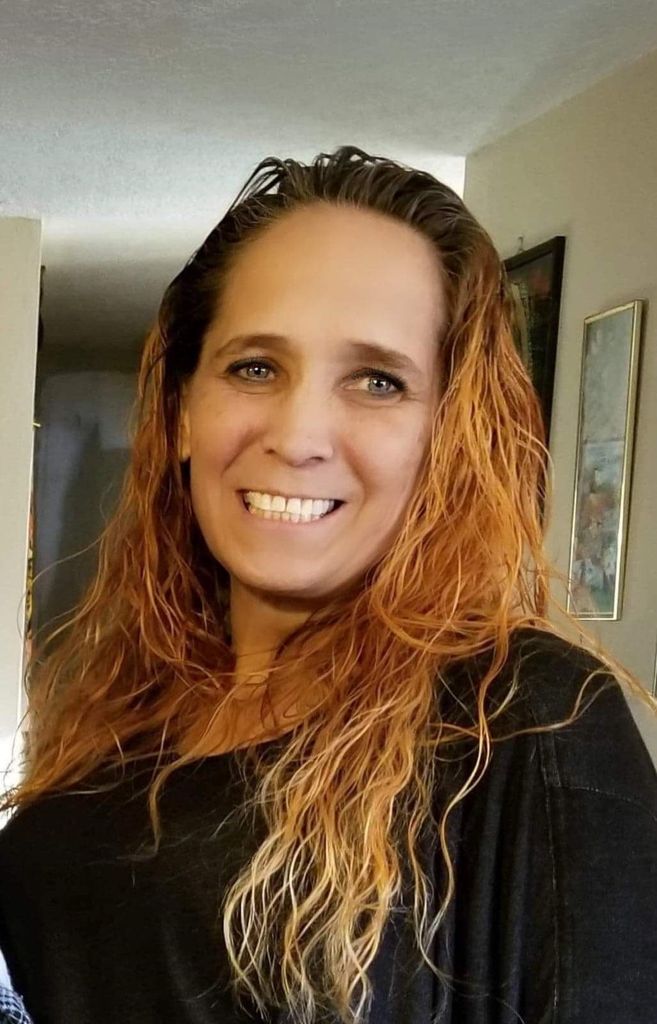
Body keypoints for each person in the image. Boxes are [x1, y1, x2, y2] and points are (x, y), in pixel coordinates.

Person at [1, 145, 656, 1024]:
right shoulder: (127, 706)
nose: (299, 434)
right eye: (254, 367)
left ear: (445, 434)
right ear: (183, 411)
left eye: (377, 381)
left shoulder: (521, 719)